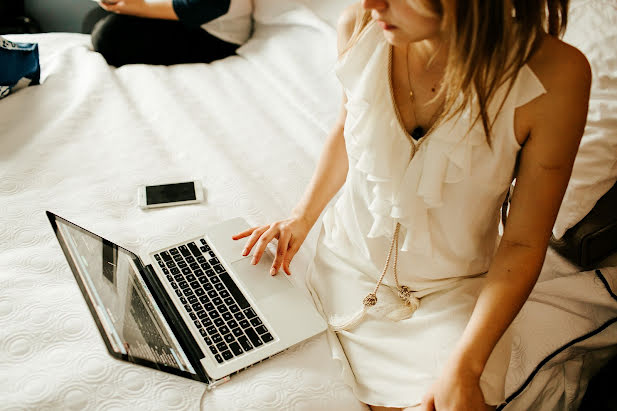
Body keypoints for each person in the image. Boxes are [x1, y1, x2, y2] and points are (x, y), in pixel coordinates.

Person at [233, 0, 591, 410]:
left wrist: (466, 368)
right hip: (340, 268)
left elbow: (524, 243)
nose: (371, 3)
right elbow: (349, 125)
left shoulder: (557, 77)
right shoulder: (360, 25)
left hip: (451, 294)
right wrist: (300, 218)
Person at [85, 0, 252, 66]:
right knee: (95, 19)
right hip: (184, 13)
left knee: (107, 36)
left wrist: (138, 7)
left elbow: (212, 5)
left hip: (216, 31)